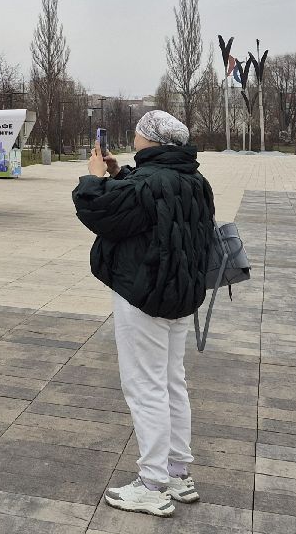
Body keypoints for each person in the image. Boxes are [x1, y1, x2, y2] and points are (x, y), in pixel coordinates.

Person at [72, 110, 215, 518]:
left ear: (149, 139)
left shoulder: (150, 182)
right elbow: (144, 210)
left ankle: (153, 484)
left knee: (145, 386)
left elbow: (98, 209)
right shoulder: (194, 180)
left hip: (144, 294)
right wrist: (118, 174)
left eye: (138, 131)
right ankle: (177, 472)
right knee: (171, 381)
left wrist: (94, 177)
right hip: (179, 294)